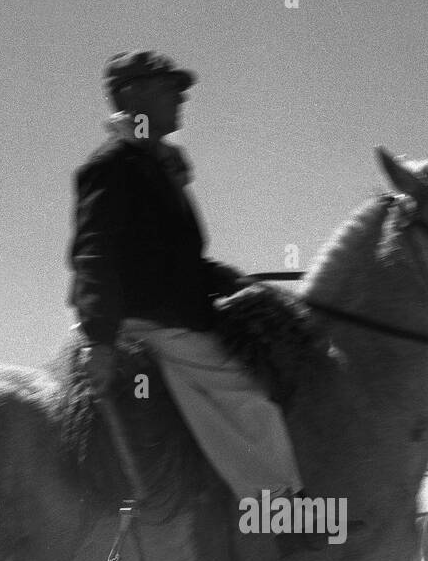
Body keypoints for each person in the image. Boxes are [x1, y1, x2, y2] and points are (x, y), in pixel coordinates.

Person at [66, 50, 304, 509]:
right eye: (168, 86)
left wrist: (238, 284)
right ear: (132, 94)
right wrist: (99, 338)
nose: (181, 96)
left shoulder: (155, 167)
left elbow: (180, 261)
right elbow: (93, 252)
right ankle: (282, 515)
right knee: (247, 401)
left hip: (174, 313)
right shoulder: (113, 165)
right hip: (147, 322)